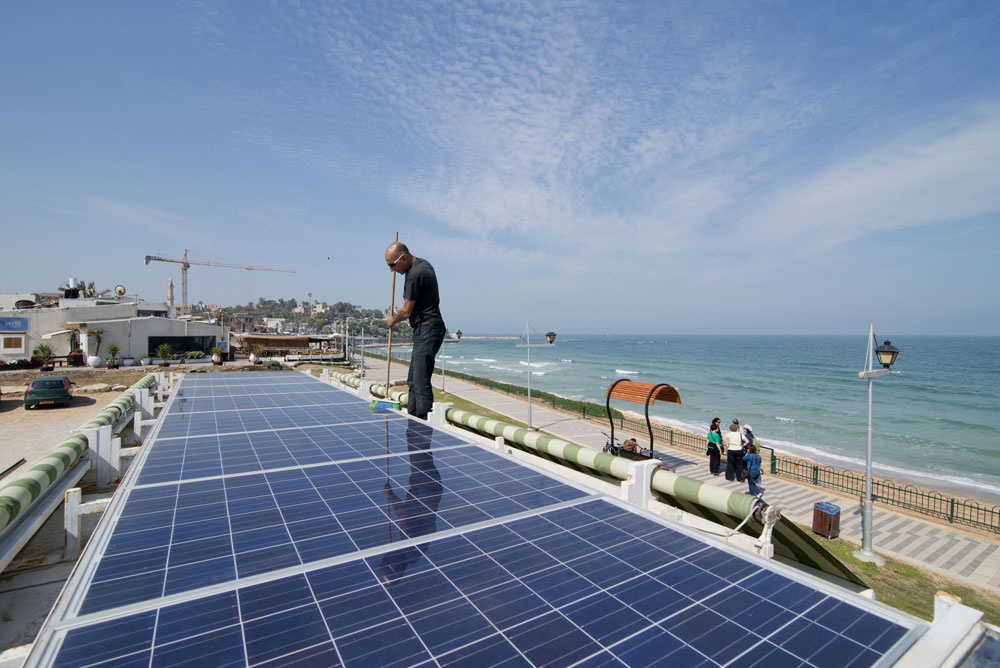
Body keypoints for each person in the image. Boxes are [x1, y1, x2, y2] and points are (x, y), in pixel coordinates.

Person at [384, 242, 447, 420]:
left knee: (419, 382)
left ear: (403, 258)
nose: (391, 270)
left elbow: (406, 311)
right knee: (413, 380)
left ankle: (422, 425)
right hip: (425, 329)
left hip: (428, 329)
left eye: (392, 265)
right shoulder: (422, 265)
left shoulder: (415, 274)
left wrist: (392, 320)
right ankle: (413, 420)